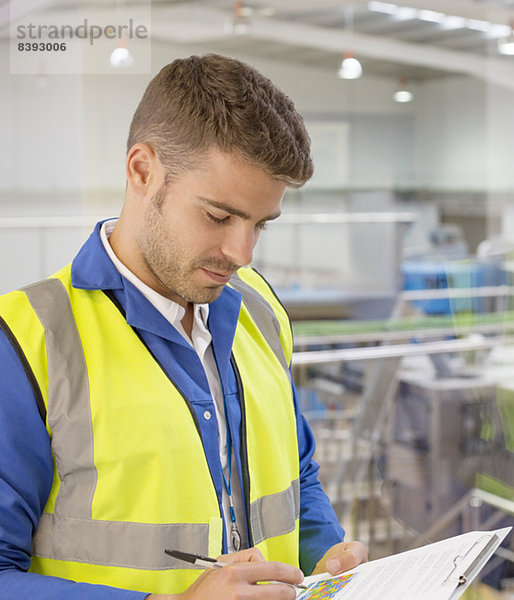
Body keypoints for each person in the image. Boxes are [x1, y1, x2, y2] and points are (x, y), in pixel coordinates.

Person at [0, 54, 367, 599]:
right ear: (142, 170)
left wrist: (326, 550)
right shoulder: (26, 342)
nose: (240, 252)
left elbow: (298, 470)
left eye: (259, 224)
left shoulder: (259, 308)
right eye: (218, 216)